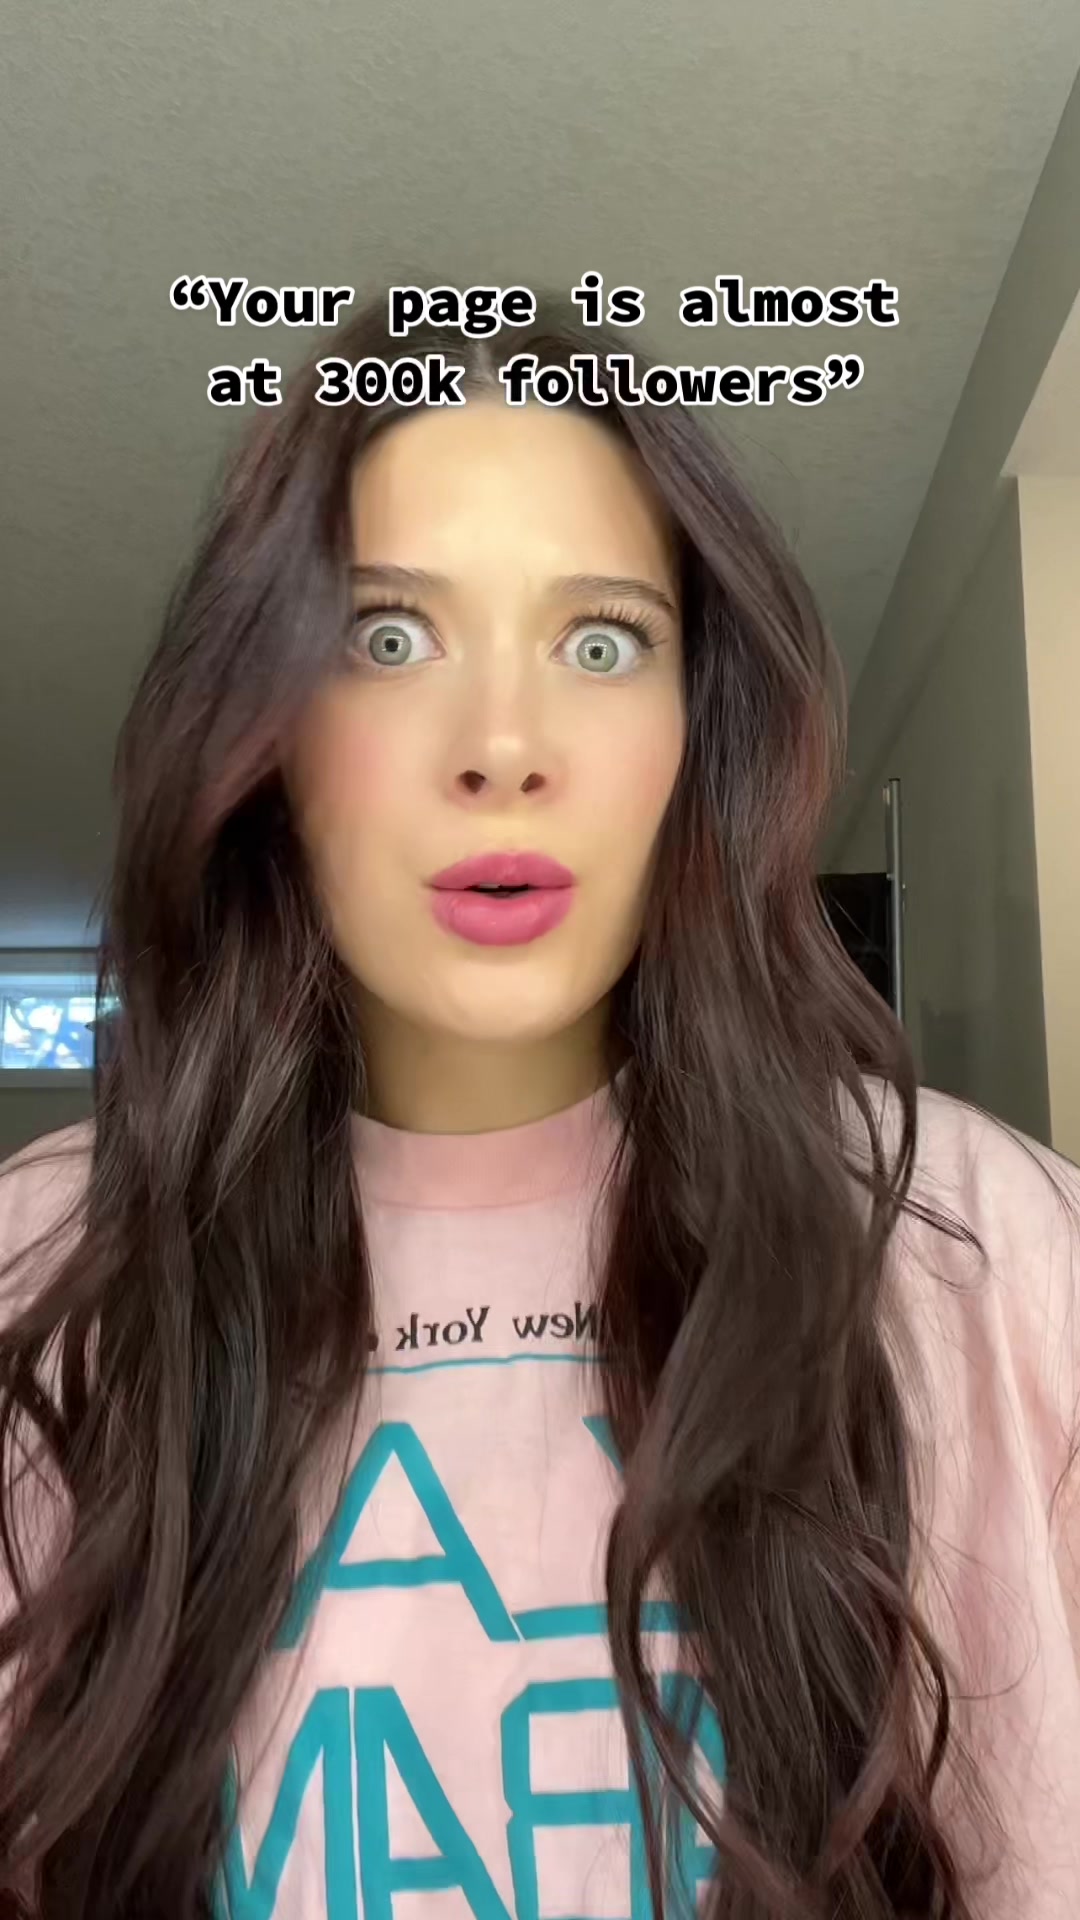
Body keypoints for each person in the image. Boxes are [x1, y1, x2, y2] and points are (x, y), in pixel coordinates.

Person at [0, 293, 1077, 1920]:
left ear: (695, 734)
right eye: (385, 638)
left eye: (601, 642)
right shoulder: (49, 1263)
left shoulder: (982, 1249)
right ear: (265, 740)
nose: (502, 749)